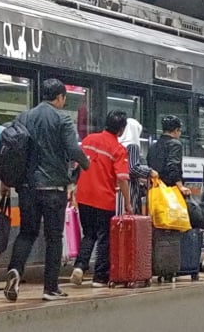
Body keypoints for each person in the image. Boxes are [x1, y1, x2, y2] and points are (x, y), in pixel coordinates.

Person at [3, 78, 90, 302]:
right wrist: (86, 162)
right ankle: (50, 288)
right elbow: (73, 149)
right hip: (53, 189)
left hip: (27, 187)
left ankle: (15, 269)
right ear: (60, 97)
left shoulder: (24, 117)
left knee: (27, 232)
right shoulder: (62, 119)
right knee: (53, 238)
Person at [70, 110, 132, 288]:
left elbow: (77, 166)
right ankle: (100, 277)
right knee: (104, 237)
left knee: (88, 234)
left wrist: (74, 189)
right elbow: (122, 178)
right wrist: (127, 202)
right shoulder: (118, 149)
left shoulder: (89, 140)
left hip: (84, 196)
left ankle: (80, 266)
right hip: (104, 199)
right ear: (121, 130)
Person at [118, 118, 158, 215]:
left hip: (117, 188)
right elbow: (132, 168)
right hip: (129, 189)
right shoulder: (132, 146)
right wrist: (149, 172)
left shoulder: (119, 144)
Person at [147, 115, 191, 196]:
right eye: (179, 131)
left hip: (155, 189)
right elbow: (173, 166)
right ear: (176, 130)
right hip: (169, 190)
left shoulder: (153, 146)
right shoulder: (175, 144)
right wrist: (181, 186)